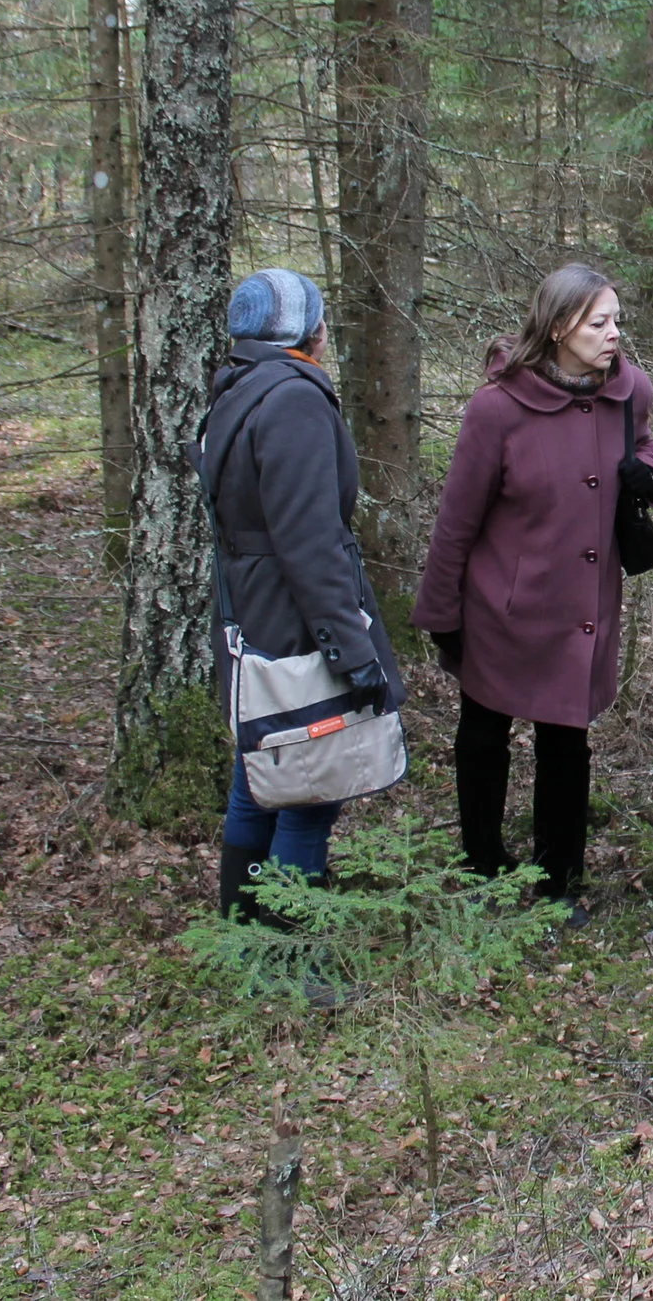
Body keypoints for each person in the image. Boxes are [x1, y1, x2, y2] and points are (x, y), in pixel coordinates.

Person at [413, 264, 653, 928]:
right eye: (598, 322)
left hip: (584, 609)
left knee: (565, 744)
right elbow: (457, 520)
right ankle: (485, 865)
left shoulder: (629, 389)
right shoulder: (496, 407)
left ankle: (560, 881)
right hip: (504, 608)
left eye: (616, 319)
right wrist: (441, 612)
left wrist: (650, 473)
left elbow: (644, 443)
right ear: (558, 328)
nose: (615, 334)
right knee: (484, 735)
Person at [208, 267, 406, 918]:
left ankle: (240, 929)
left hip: (255, 608)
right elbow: (309, 541)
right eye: (320, 319)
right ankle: (288, 959)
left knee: (262, 768)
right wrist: (354, 652)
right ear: (305, 333)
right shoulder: (292, 399)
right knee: (309, 786)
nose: (326, 332)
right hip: (295, 618)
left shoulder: (237, 385)